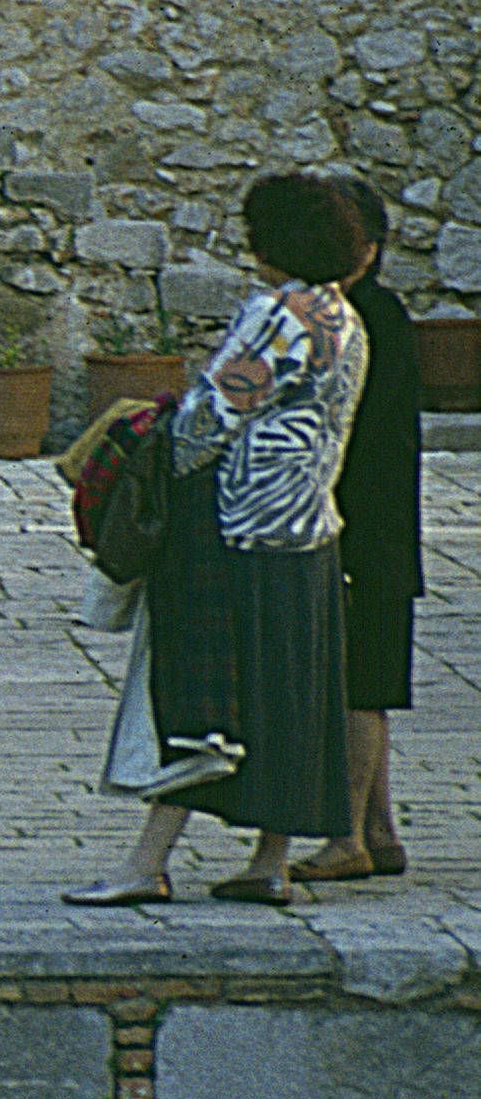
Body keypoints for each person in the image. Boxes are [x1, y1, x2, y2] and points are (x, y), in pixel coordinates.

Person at [65, 174, 367, 908]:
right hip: (307, 526)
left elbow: (207, 418)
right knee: (290, 694)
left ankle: (147, 860)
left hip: (235, 527)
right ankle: (271, 859)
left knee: (201, 700)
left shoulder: (276, 315)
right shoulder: (345, 319)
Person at [292, 175, 424, 884]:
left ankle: (346, 835)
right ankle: (379, 828)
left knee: (358, 684)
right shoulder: (379, 314)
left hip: (361, 524)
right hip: (382, 523)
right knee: (365, 679)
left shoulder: (355, 321)